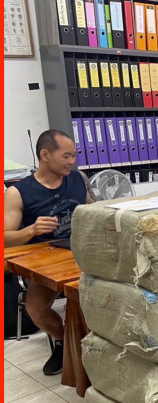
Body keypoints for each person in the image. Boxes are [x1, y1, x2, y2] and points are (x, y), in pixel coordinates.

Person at [4, 129, 96, 375]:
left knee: (99, 295)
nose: (72, 161)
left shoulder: (77, 179)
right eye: (66, 156)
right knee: (35, 308)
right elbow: (5, 239)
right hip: (46, 261)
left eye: (74, 155)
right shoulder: (18, 192)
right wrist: (31, 230)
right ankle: (64, 341)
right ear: (45, 155)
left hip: (83, 252)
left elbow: (95, 211)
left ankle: (96, 348)